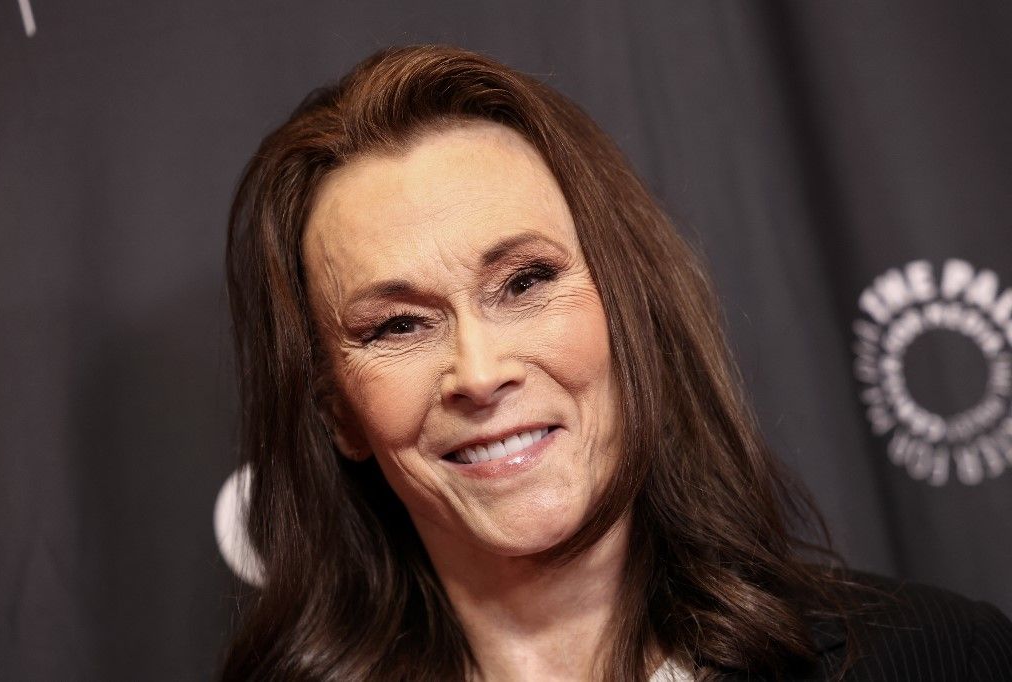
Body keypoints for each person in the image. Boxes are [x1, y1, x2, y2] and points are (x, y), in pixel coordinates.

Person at [221, 45, 1012, 681]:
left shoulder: (944, 658)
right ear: (336, 413)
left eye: (525, 281)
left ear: (632, 307)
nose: (480, 370)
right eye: (397, 326)